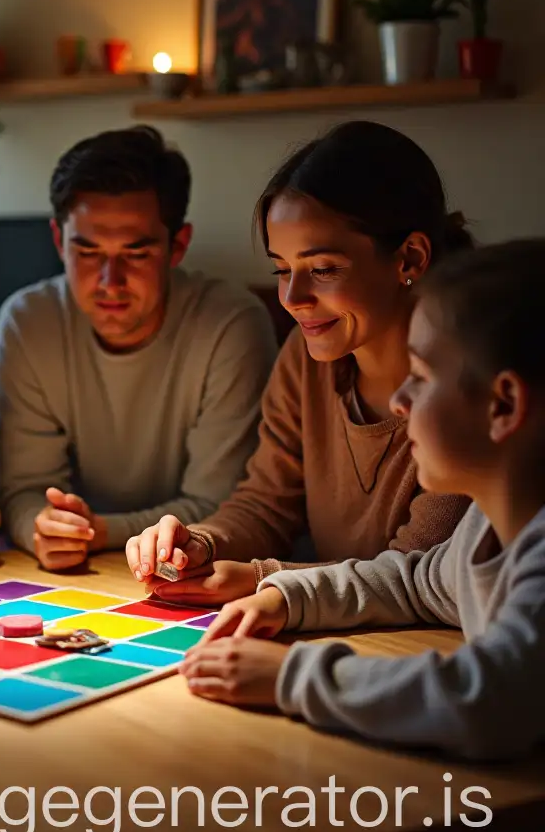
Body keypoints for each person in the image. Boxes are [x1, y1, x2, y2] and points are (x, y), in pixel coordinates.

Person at [182, 239, 545, 762]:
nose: (399, 402)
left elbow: (489, 700)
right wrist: (285, 596)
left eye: (419, 379)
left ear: (503, 404)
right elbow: (409, 581)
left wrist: (292, 676)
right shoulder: (480, 533)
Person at [128, 121, 473, 603]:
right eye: (282, 269)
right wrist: (198, 543)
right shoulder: (307, 355)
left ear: (409, 258)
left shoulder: (470, 383)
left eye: (324, 270)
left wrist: (262, 579)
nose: (293, 298)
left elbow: (413, 575)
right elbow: (267, 506)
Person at [0, 125, 278, 571]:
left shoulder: (230, 324)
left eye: (136, 253)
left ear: (177, 246)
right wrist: (40, 525)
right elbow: (24, 488)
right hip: (74, 573)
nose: (110, 281)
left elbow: (225, 504)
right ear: (57, 241)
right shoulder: (29, 322)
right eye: (87, 252)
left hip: (194, 564)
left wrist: (98, 531)